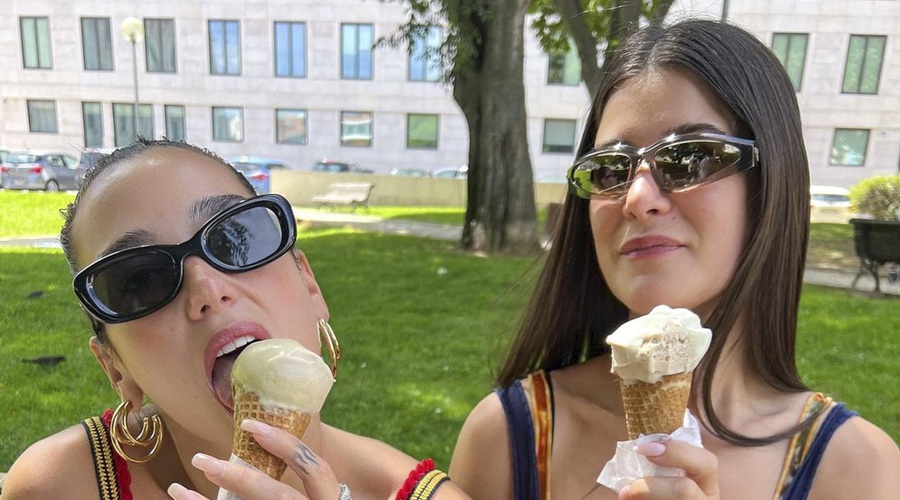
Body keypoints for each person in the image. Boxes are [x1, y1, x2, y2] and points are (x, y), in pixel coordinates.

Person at [449, 19, 899, 500]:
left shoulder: (858, 467)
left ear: (772, 187)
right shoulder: (509, 434)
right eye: (609, 170)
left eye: (690, 157)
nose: (639, 196)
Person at [2, 139, 464, 500]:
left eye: (234, 236)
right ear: (114, 366)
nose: (207, 287)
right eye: (139, 279)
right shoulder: (60, 488)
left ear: (309, 285)